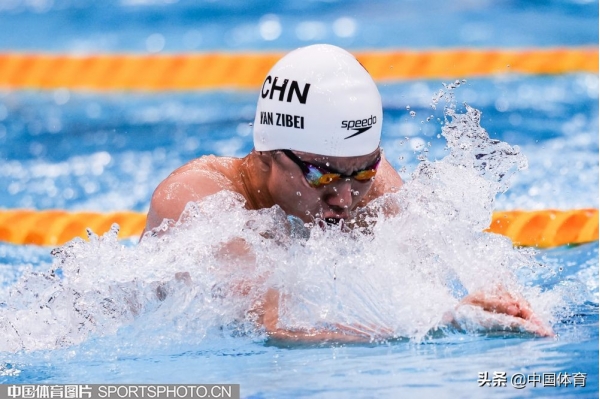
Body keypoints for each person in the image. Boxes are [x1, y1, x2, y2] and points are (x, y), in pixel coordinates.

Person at [143, 44, 553, 340]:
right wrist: (447, 323)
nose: (344, 198)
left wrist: (483, 300)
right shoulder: (199, 199)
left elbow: (420, 272)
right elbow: (275, 328)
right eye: (322, 177)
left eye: (363, 172)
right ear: (268, 155)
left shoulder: (365, 181)